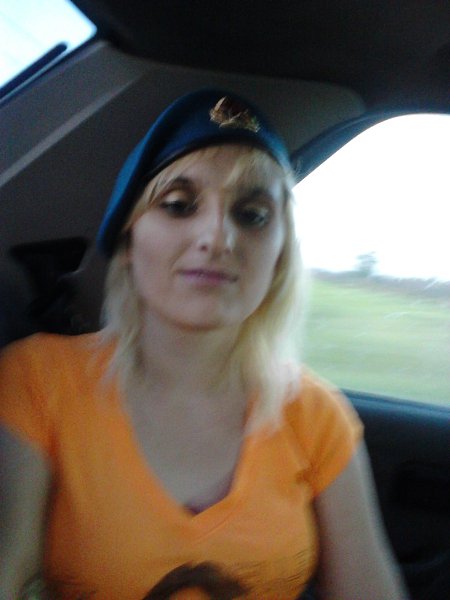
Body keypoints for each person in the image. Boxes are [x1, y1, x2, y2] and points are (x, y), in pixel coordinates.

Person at [0, 89, 409, 600]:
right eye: (178, 205)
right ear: (128, 242)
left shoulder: (316, 414)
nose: (217, 237)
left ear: (280, 255)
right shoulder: (37, 379)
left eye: (252, 215)